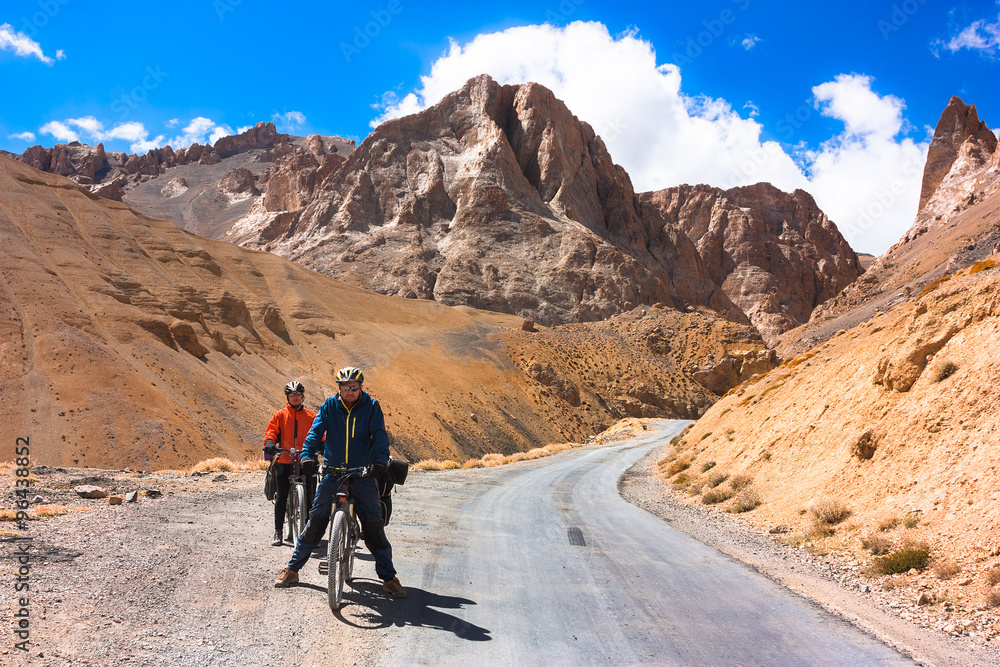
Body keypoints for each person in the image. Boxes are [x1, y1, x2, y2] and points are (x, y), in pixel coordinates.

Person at [274, 367, 407, 598]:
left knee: (374, 527)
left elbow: (379, 436)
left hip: (363, 473)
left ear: (360, 387)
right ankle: (293, 569)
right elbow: (315, 434)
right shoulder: (329, 406)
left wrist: (379, 461)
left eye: (354, 387)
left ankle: (389, 578)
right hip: (333, 472)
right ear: (339, 388)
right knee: (315, 521)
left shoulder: (372, 406)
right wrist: (307, 455)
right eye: (345, 387)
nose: (350, 391)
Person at [262, 380, 319, 547]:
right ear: (288, 397)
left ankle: (309, 533)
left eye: (298, 394)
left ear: (302, 396)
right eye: (292, 395)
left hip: (305, 459)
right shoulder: (280, 415)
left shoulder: (311, 417)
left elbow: (319, 434)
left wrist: (322, 444)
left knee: (310, 496)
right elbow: (271, 431)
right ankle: (278, 532)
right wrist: (270, 442)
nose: (295, 397)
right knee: (281, 496)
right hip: (284, 459)